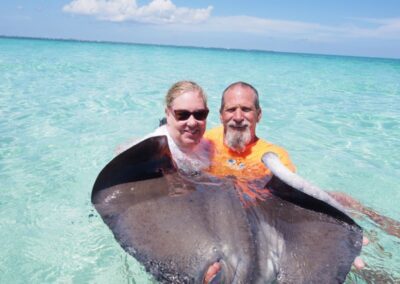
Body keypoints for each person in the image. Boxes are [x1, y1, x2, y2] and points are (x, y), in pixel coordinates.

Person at [203, 81, 368, 273]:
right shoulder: (205, 142)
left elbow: (288, 206)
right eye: (231, 109)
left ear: (259, 115)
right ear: (221, 115)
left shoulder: (274, 156)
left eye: (246, 109)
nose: (238, 117)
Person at [117, 80, 212, 173]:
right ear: (168, 114)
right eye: (182, 114)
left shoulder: (209, 145)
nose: (192, 123)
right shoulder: (154, 153)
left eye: (200, 114)